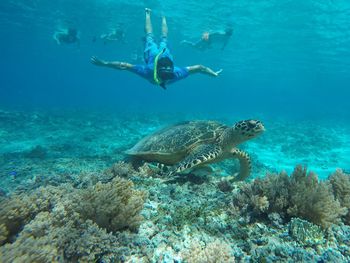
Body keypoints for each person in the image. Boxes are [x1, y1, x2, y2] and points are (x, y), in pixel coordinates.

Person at [91, 8, 222, 90]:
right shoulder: (154, 72)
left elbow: (199, 67)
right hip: (155, 54)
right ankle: (152, 14)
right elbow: (200, 68)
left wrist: (105, 63)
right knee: (152, 36)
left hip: (164, 54)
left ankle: (157, 15)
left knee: (160, 37)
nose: (166, 79)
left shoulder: (174, 74)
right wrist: (213, 74)